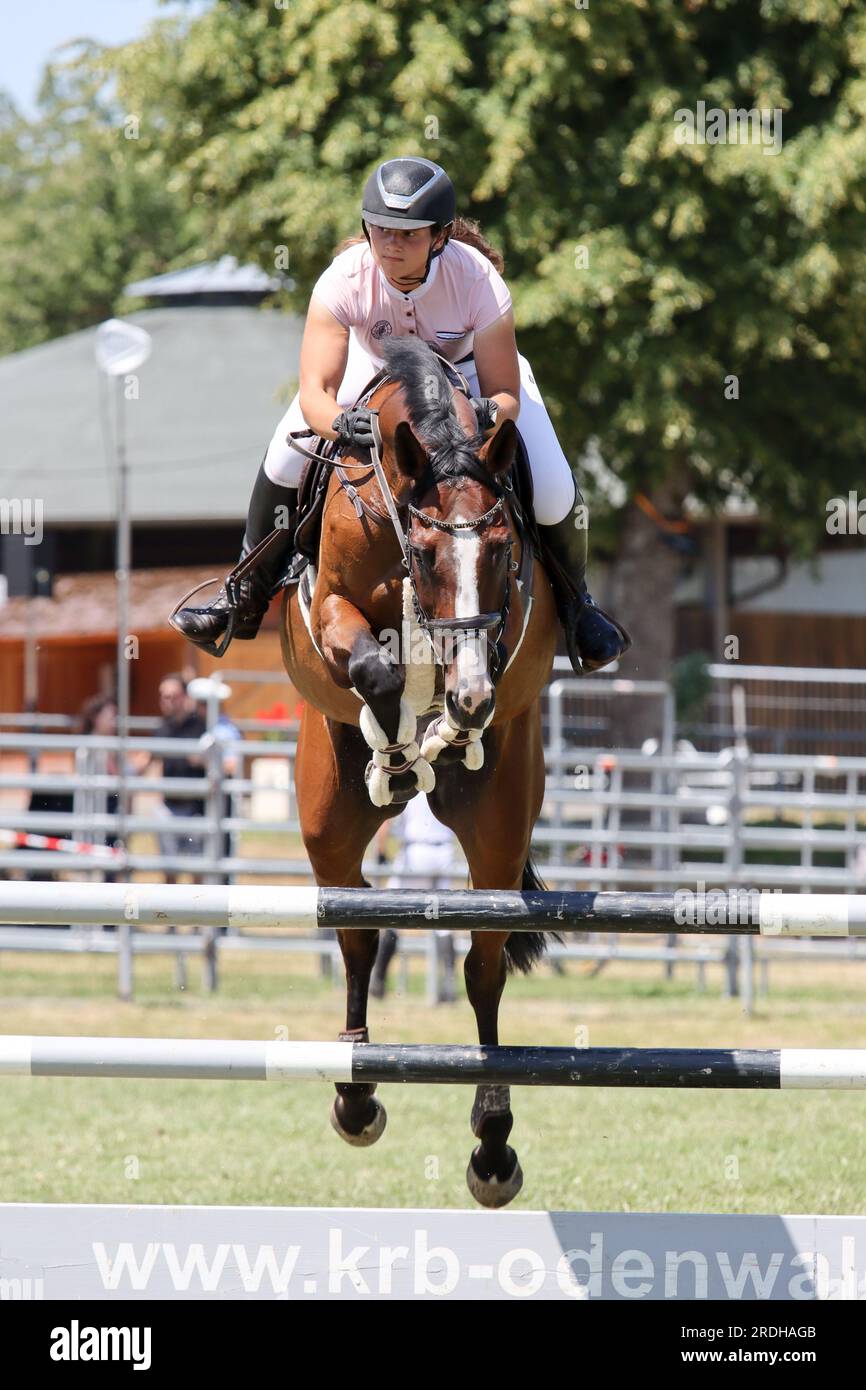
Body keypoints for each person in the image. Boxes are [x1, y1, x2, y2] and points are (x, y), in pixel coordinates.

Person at [171, 155, 630, 674]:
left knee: (551, 490)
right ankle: (244, 595)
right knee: (283, 460)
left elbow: (506, 393)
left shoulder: (476, 278)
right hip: (371, 373)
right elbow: (315, 392)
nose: (391, 245)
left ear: (439, 237)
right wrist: (340, 423)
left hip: (471, 377)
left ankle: (578, 606)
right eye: (381, 230)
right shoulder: (343, 279)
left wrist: (482, 413)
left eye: (408, 234)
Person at [370, 793, 459, 1002]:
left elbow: (386, 821)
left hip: (415, 851)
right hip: (444, 852)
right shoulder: (445, 778)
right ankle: (449, 983)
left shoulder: (409, 784)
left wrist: (381, 852)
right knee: (445, 922)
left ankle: (378, 980)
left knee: (393, 915)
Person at [144, 674, 207, 883]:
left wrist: (203, 760)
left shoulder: (201, 726)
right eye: (164, 696)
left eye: (173, 696)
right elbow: (147, 760)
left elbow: (219, 761)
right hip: (169, 806)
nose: (167, 701)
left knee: (197, 869)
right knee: (169, 869)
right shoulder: (162, 729)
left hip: (196, 807)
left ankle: (197, 913)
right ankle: (169, 913)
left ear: (185, 697)